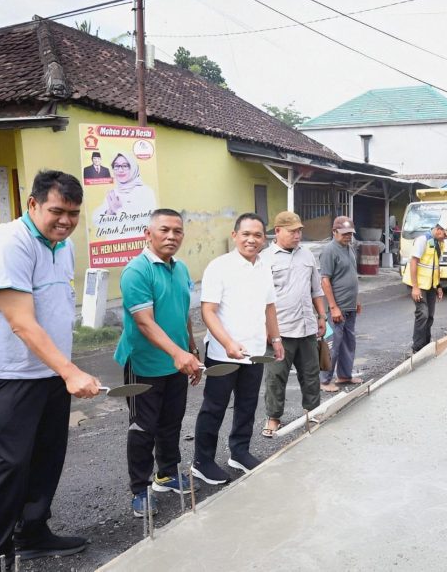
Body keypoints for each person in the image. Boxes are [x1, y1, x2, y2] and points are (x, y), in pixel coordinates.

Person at [0, 170, 101, 571]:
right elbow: (20, 321)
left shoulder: (61, 246)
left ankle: (32, 534)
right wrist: (71, 371)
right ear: (32, 204)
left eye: (73, 213)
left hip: (47, 372)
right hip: (7, 373)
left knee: (47, 458)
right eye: (57, 211)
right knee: (11, 464)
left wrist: (62, 370)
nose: (65, 221)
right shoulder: (9, 243)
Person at [114, 209, 203, 517]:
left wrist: (191, 348)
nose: (171, 236)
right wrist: (179, 354)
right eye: (164, 230)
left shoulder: (180, 268)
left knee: (171, 422)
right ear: (148, 233)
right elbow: (144, 322)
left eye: (177, 231)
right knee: (143, 427)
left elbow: (183, 311)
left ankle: (166, 474)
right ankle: (140, 489)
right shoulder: (136, 271)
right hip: (144, 363)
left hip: (176, 362)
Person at [191, 213, 284, 485]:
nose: (251, 240)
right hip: (223, 353)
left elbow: (269, 307)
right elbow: (208, 311)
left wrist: (276, 339)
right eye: (246, 234)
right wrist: (228, 343)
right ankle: (202, 462)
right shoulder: (219, 267)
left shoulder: (264, 267)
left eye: (257, 235)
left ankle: (239, 452)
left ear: (264, 239)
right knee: (214, 407)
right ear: (234, 236)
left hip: (255, 352)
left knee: (247, 404)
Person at [259, 211, 326, 437]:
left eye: (299, 231)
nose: (297, 235)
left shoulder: (307, 255)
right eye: (292, 231)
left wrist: (322, 316)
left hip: (307, 327)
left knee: (311, 374)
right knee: (276, 377)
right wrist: (267, 330)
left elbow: (316, 289)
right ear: (278, 231)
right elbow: (259, 298)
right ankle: (273, 418)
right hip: (280, 330)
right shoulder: (265, 259)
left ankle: (312, 413)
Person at [319, 216, 362, 392]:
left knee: (348, 343)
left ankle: (344, 375)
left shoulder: (349, 249)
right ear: (334, 232)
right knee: (332, 344)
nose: (348, 236)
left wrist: (356, 300)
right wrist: (333, 307)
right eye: (344, 233)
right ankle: (324, 380)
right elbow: (325, 281)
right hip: (336, 308)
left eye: (350, 233)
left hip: (350, 306)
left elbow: (350, 275)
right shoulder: (329, 251)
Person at [403, 221, 447, 352]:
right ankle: (417, 348)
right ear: (439, 230)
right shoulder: (422, 240)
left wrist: (439, 286)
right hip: (418, 285)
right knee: (423, 314)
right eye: (445, 235)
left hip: (431, 285)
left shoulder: (438, 243)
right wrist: (415, 287)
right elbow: (414, 262)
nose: (445, 238)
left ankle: (425, 345)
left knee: (430, 316)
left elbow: (435, 266)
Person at [92, 152, 157, 225]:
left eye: (125, 166)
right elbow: (96, 220)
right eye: (116, 166)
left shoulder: (145, 191)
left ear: (133, 168)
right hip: (114, 232)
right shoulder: (113, 193)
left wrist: (117, 210)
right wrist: (110, 211)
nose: (120, 170)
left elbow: (148, 221)